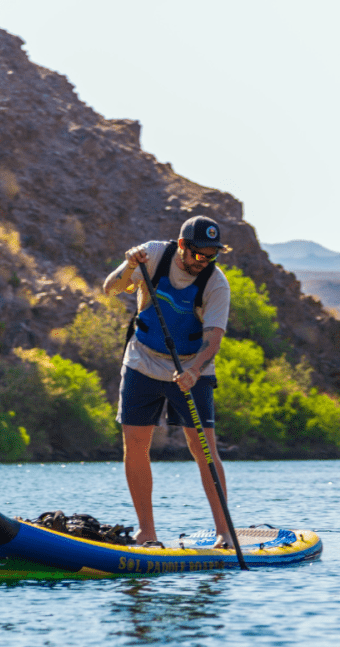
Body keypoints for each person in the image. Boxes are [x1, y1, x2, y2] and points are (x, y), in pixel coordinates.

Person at [103, 215, 234, 547]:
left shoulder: (216, 283)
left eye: (211, 255)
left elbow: (214, 340)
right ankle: (147, 532)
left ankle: (224, 532)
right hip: (143, 360)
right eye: (198, 254)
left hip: (193, 369)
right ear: (181, 246)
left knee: (204, 449)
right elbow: (111, 288)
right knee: (135, 445)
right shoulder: (152, 256)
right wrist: (129, 266)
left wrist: (194, 371)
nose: (204, 261)